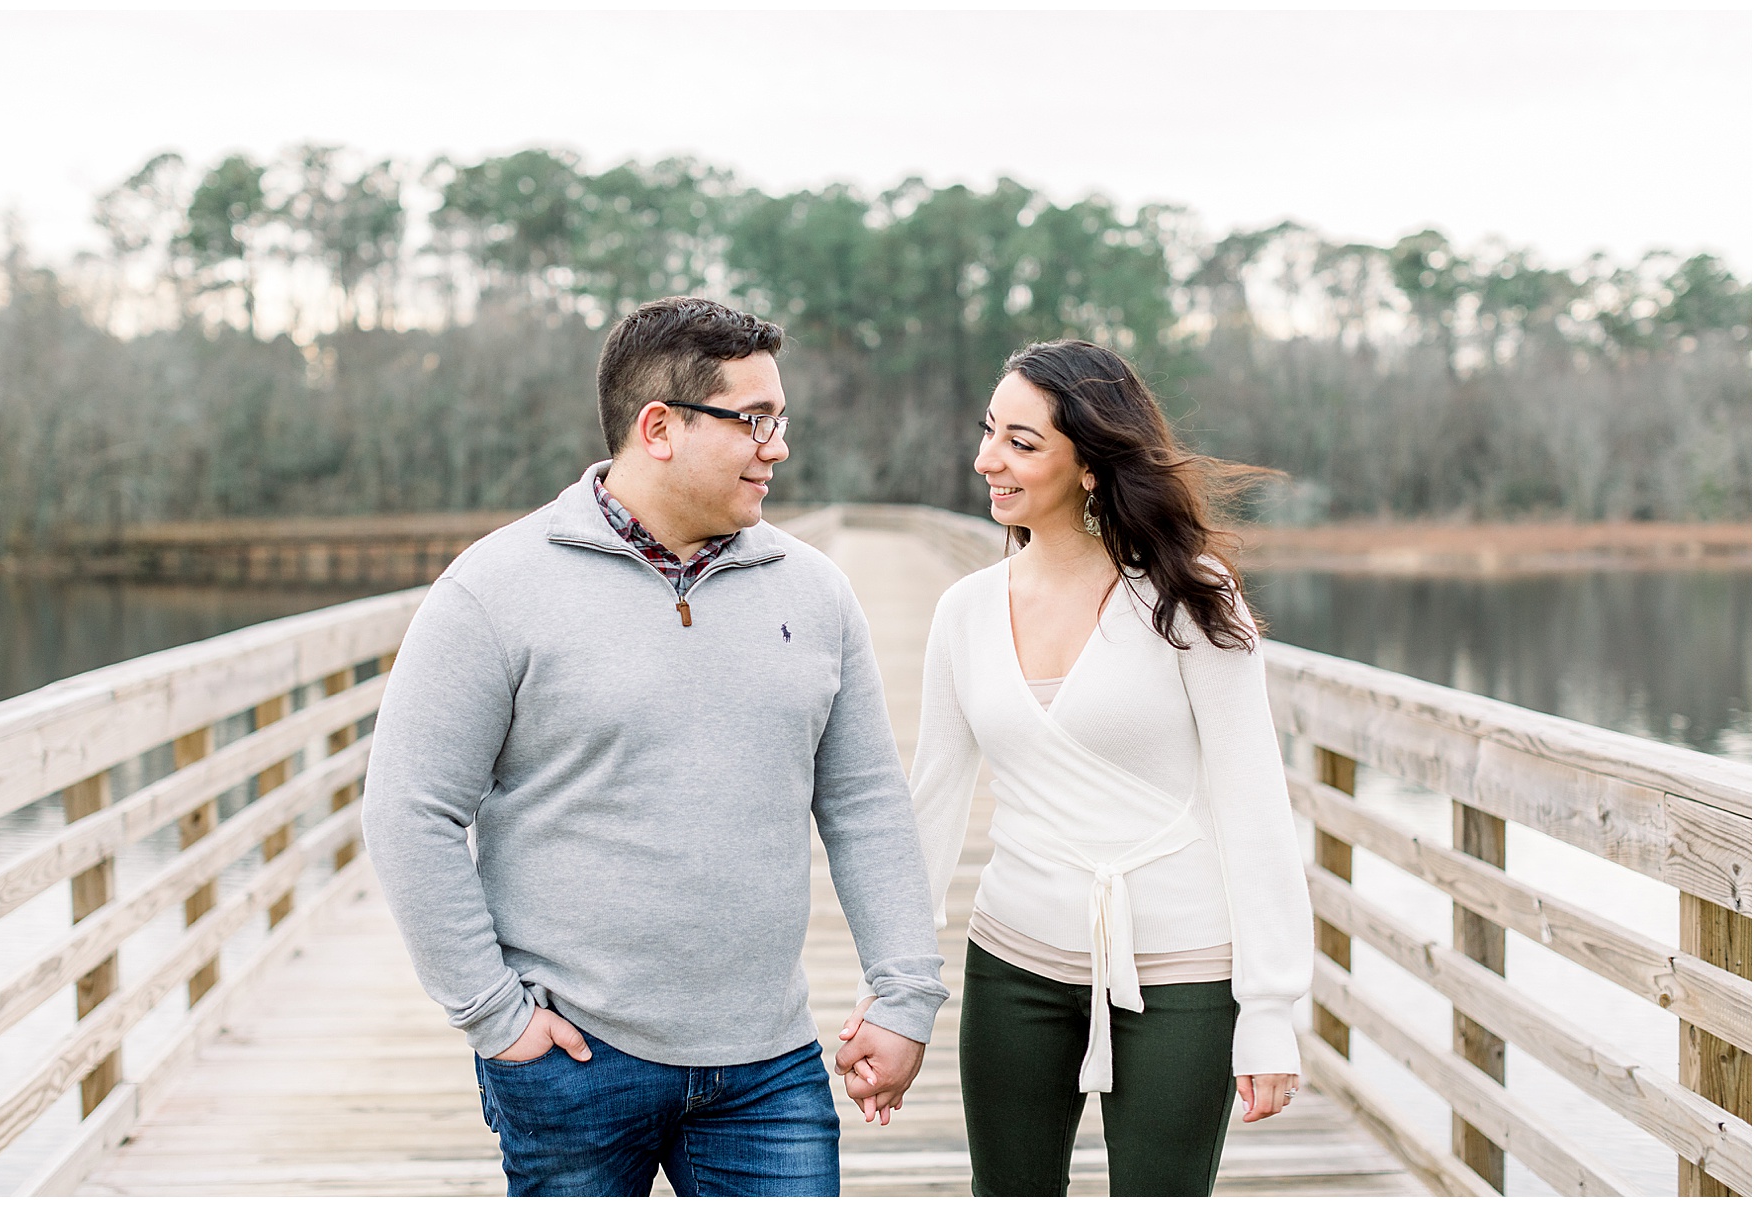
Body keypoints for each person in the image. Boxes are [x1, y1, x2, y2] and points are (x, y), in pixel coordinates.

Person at [361, 296, 948, 1197]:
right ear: (660, 427)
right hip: (574, 1059)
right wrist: (495, 1016)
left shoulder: (816, 591)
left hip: (770, 1065)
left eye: (780, 419)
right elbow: (409, 810)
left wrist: (904, 992)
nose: (778, 447)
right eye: (754, 420)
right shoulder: (495, 588)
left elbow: (866, 804)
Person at [845, 338, 1312, 1196]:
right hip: (1014, 958)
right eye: (989, 431)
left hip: (1182, 969)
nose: (988, 459)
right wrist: (894, 988)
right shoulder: (966, 611)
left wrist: (1271, 1008)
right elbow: (932, 810)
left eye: (1022, 442)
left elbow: (1254, 806)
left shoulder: (1189, 597)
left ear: (1091, 464)